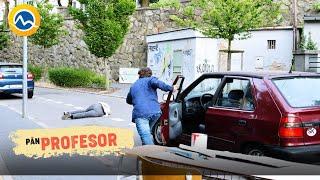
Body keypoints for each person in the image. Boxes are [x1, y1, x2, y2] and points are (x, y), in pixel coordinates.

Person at [126, 67, 177, 145]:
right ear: (150, 74)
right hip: (155, 112)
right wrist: (171, 88)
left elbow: (128, 100)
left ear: (140, 75)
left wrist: (137, 100)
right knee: (147, 133)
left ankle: (151, 154)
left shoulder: (133, 86)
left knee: (145, 136)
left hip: (141, 114)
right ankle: (145, 153)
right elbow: (158, 83)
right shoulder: (151, 80)